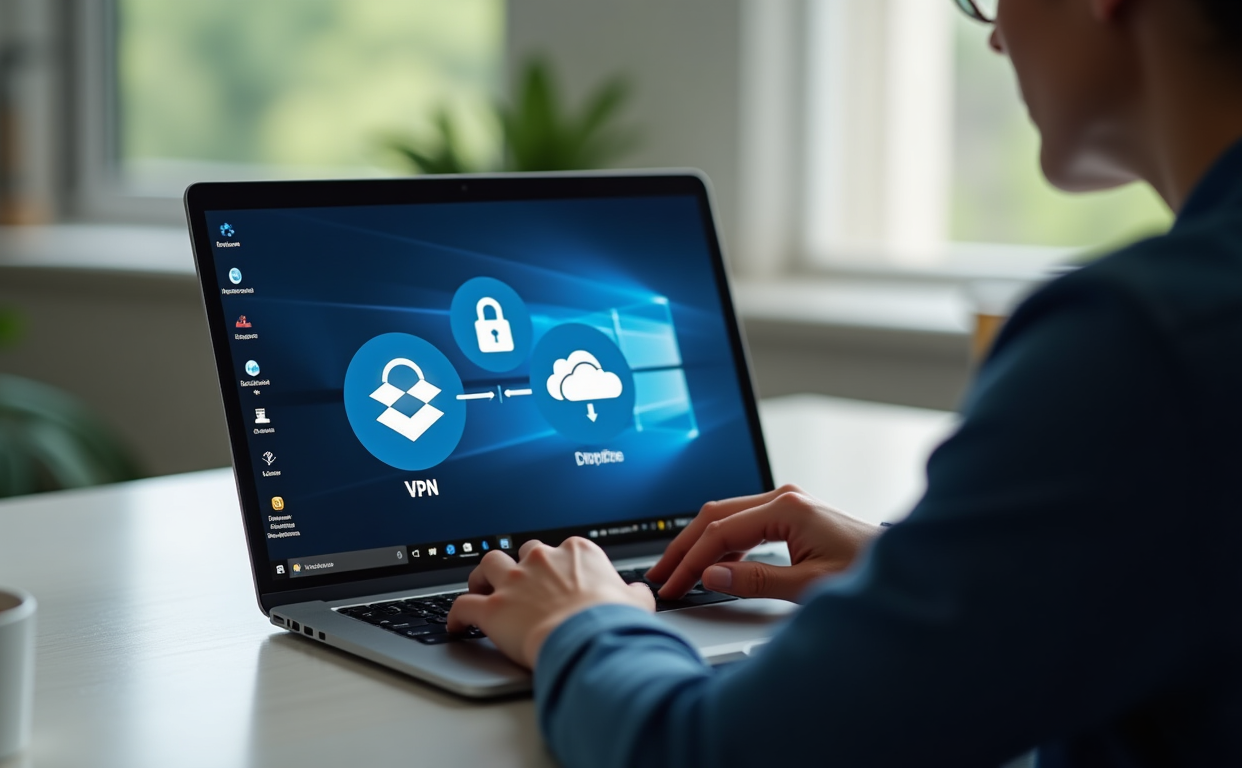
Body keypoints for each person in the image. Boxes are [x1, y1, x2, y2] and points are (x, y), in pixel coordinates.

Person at [446, 0, 1242, 764]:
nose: (996, 37)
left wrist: (579, 625)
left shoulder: (1139, 346)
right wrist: (940, 581)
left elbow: (707, 754)